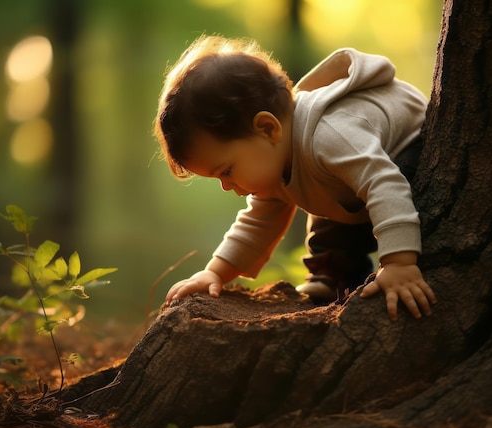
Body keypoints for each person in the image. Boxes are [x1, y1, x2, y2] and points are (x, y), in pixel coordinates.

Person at [155, 35, 437, 320]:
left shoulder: (329, 136)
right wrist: (214, 272)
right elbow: (257, 223)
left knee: (373, 189)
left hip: (409, 152)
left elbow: (383, 184)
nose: (227, 186)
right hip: (352, 183)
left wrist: (398, 263)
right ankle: (336, 273)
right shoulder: (276, 158)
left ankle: (409, 257)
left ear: (267, 128)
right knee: (322, 199)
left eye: (226, 171)